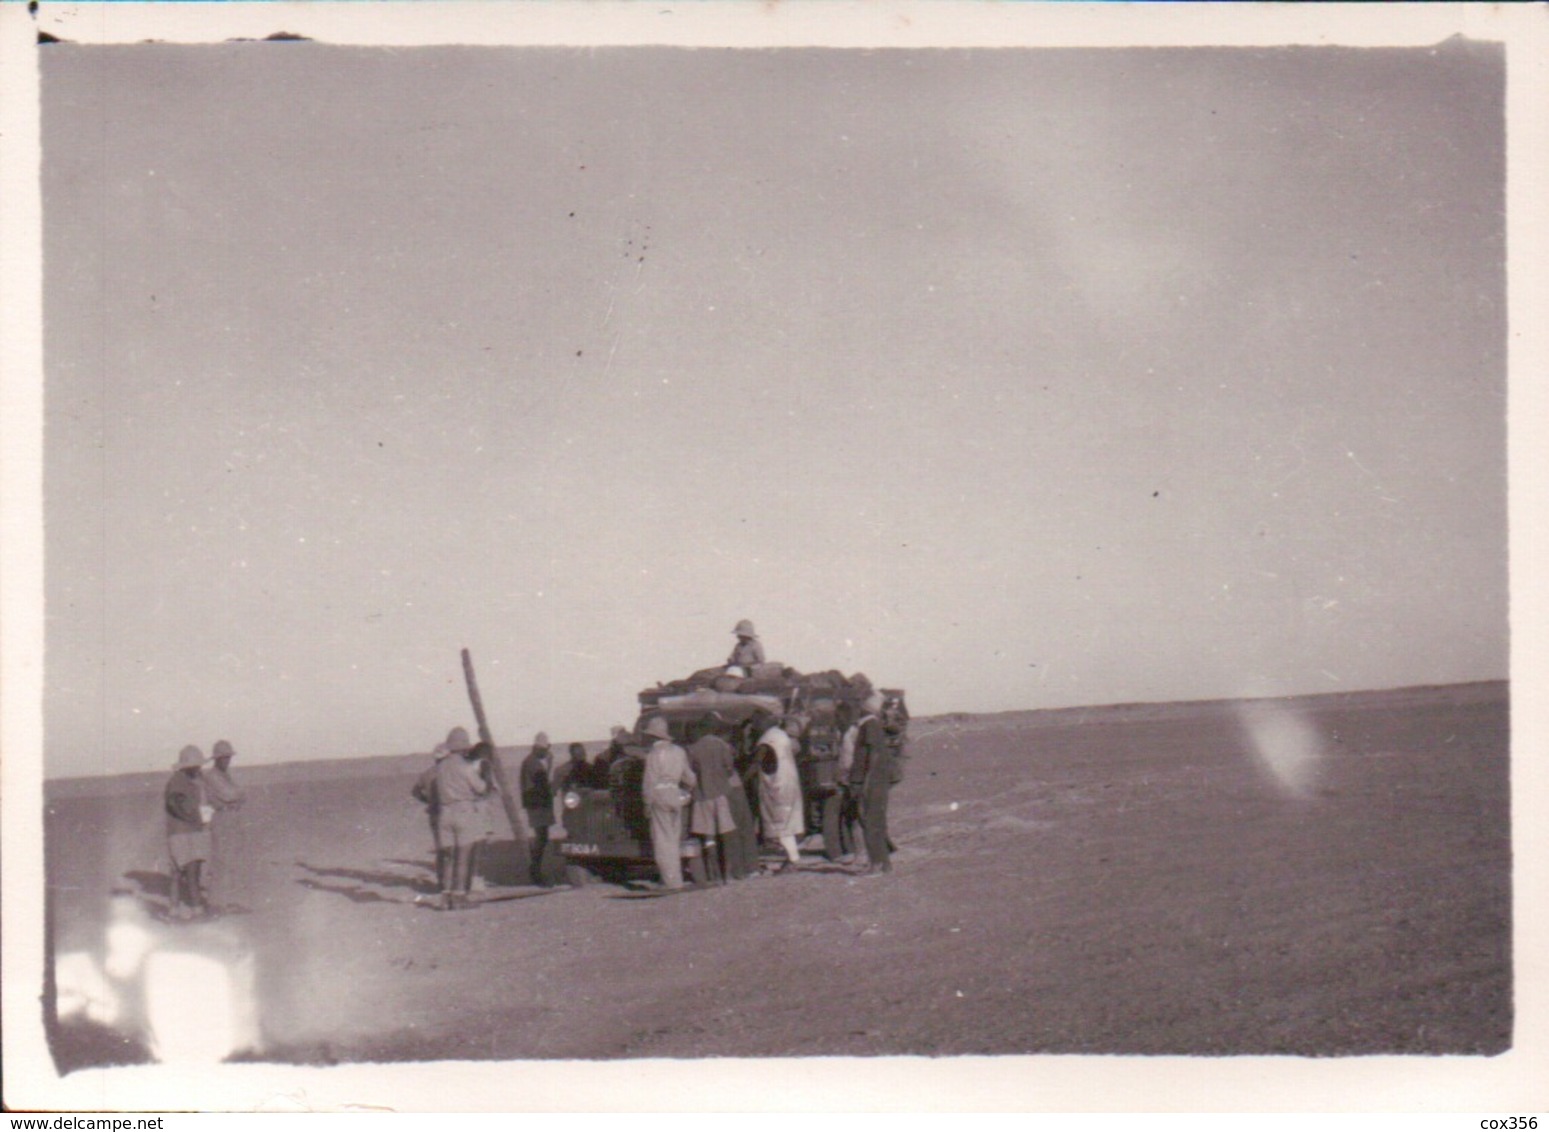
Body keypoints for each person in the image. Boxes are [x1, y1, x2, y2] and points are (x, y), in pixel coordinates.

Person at [686, 717, 747, 883]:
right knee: (726, 833)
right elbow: (729, 769)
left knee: (709, 836)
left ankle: (715, 876)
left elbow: (691, 773)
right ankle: (729, 874)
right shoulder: (722, 745)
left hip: (702, 796)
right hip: (721, 794)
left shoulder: (693, 749)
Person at [434, 736, 492, 910]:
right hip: (463, 811)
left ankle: (445, 897)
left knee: (448, 857)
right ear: (464, 748)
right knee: (462, 858)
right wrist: (487, 777)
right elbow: (481, 788)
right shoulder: (465, 768)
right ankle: (459, 897)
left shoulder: (440, 767)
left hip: (444, 812)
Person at [641, 716, 697, 891]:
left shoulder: (653, 755)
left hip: (659, 795)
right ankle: (677, 878)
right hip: (675, 793)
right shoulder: (679, 751)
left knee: (662, 840)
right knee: (673, 837)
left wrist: (647, 803)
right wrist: (686, 789)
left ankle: (671, 881)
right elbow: (690, 778)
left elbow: (649, 782)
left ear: (653, 736)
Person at [164, 745, 213, 921]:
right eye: (195, 765)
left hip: (186, 831)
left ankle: (174, 909)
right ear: (187, 766)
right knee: (191, 870)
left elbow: (203, 804)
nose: (198, 768)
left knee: (180, 873)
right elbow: (174, 803)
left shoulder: (194, 780)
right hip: (183, 832)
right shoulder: (178, 780)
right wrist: (192, 819)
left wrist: (202, 821)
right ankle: (196, 909)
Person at [849, 692, 895, 875]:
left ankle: (876, 863)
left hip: (872, 781)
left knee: (871, 821)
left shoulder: (869, 725)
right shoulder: (872, 725)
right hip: (875, 780)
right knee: (876, 821)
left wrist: (867, 780)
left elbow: (873, 754)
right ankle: (883, 863)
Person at [411, 732, 462, 897]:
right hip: (451, 812)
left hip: (434, 814)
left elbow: (415, 792)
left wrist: (427, 800)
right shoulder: (450, 771)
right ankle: (453, 883)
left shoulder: (427, 773)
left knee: (441, 850)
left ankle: (442, 883)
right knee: (455, 849)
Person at [755, 714, 805, 874]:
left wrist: (744, 778)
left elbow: (758, 759)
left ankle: (793, 860)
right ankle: (792, 858)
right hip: (789, 781)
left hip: (777, 786)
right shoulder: (781, 735)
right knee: (788, 824)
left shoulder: (768, 738)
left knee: (782, 826)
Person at [202, 739, 247, 913]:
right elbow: (231, 794)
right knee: (221, 861)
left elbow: (242, 794)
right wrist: (236, 795)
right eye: (223, 758)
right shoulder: (212, 776)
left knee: (232, 860)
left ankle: (225, 901)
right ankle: (216, 903)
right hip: (221, 819)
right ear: (216, 759)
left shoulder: (225, 775)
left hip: (231, 818)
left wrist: (236, 795)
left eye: (228, 757)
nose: (226, 761)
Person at [519, 732, 556, 885]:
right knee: (541, 838)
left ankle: (535, 869)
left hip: (535, 804)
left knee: (541, 837)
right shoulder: (533, 763)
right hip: (537, 804)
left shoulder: (531, 761)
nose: (547, 751)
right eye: (545, 749)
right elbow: (542, 782)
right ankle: (535, 870)